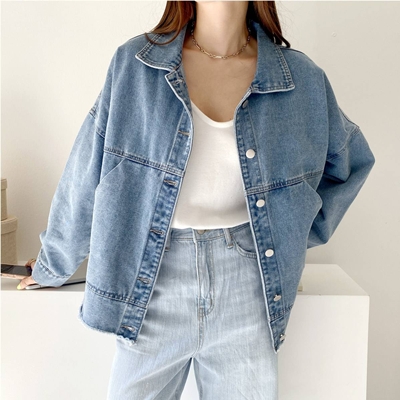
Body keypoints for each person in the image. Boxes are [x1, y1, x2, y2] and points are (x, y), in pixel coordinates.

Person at [18, 1, 375, 399]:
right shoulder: (137, 66)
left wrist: (287, 235)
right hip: (151, 283)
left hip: (248, 289)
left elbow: (351, 164)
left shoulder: (299, 79)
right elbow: (86, 173)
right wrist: (52, 264)